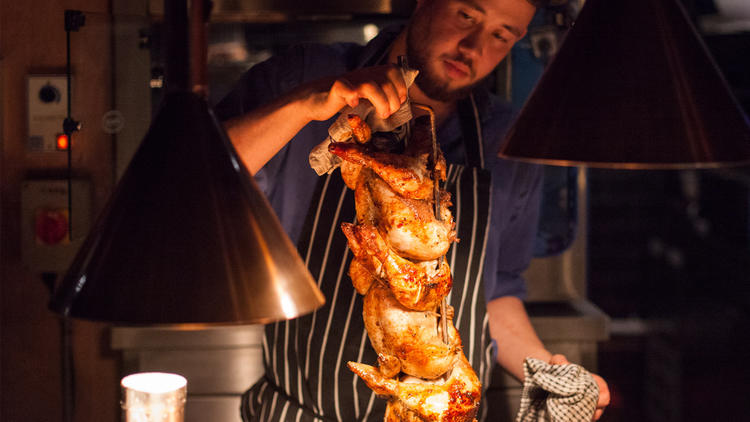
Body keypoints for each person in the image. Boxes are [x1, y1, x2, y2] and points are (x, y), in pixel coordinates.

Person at [215, 0, 610, 420]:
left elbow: (496, 292)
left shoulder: (506, 142)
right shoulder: (302, 76)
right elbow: (194, 180)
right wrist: (301, 106)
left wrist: (547, 367)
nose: (473, 47)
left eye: (501, 35)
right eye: (466, 15)